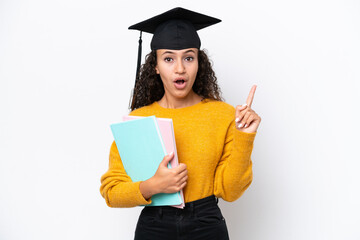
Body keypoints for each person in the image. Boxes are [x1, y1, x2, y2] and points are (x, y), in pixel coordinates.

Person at [100, 7, 261, 240]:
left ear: (199, 63)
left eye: (188, 57)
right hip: (154, 226)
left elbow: (231, 191)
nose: (180, 68)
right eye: (168, 59)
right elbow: (111, 192)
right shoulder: (138, 120)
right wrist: (152, 186)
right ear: (155, 66)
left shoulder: (223, 115)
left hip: (207, 224)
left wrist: (244, 136)